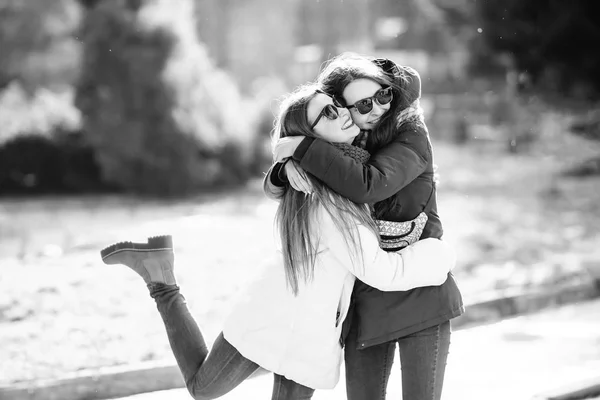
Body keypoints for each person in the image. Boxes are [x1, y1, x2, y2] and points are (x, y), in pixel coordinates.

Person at [100, 84, 456, 400]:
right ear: (312, 137)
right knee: (202, 389)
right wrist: (437, 254)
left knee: (203, 390)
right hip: (274, 318)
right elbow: (379, 271)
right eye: (328, 114)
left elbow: (400, 87)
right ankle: (162, 285)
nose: (343, 112)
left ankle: (159, 271)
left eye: (336, 104)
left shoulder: (329, 173)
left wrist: (290, 162)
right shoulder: (332, 196)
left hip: (312, 332)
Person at [265, 53, 464, 400]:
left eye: (383, 95)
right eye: (363, 104)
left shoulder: (410, 130)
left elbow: (370, 184)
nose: (378, 108)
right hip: (366, 301)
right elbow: (278, 191)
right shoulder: (339, 144)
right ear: (341, 109)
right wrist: (285, 167)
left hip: (422, 293)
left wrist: (303, 147)